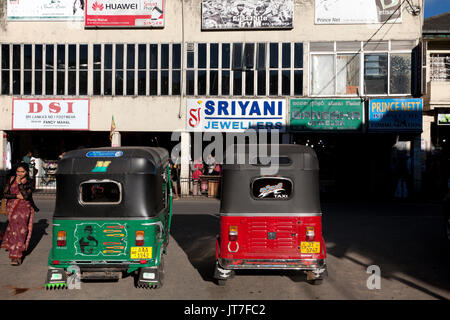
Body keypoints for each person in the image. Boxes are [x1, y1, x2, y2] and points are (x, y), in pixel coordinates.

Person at [1, 163, 39, 265]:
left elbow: (26, 196)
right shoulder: (11, 179)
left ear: (26, 172)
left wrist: (19, 184)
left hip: (24, 208)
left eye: (22, 171)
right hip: (12, 208)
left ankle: (17, 256)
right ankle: (14, 247)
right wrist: (16, 196)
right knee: (14, 230)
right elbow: (4, 194)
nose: (20, 173)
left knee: (21, 231)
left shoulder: (30, 181)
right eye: (18, 171)